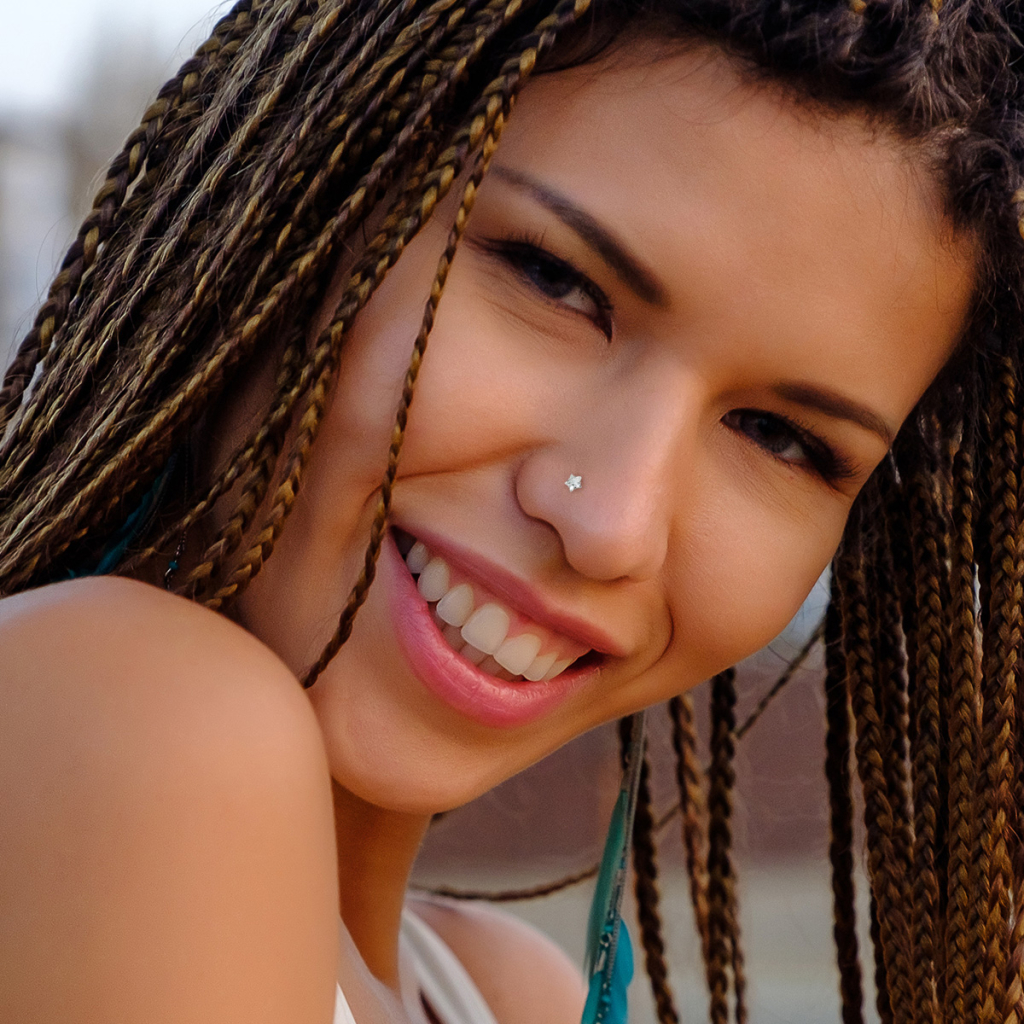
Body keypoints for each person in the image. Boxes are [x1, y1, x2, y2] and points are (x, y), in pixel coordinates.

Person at [0, 0, 1019, 1021]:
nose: (611, 523)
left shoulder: (505, 991)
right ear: (297, 194)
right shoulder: (133, 722)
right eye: (554, 281)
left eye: (779, 437)